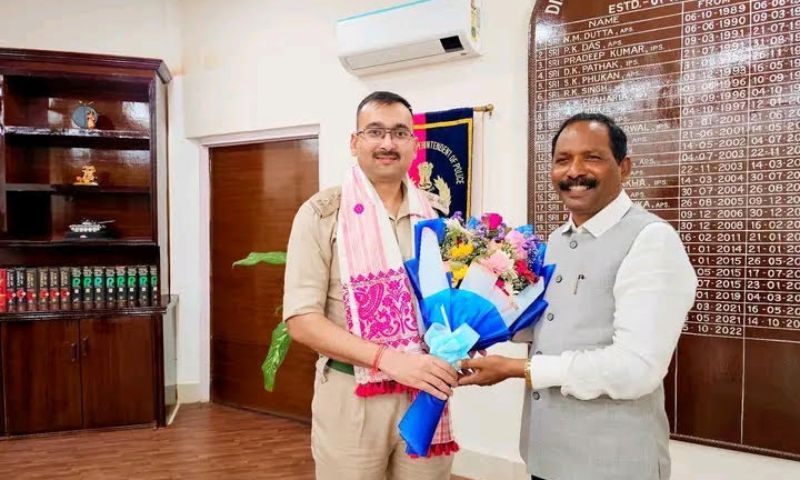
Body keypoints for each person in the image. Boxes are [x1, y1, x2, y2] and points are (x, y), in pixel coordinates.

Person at [458, 112, 697, 480]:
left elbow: (637, 368)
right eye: (563, 160)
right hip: (547, 454)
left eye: (592, 157)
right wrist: (472, 323)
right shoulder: (556, 240)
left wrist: (518, 369)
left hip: (611, 464)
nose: (575, 171)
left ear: (624, 167)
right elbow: (550, 323)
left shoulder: (651, 240)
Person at [282, 91, 457, 480]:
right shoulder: (322, 214)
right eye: (375, 131)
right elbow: (301, 320)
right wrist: (389, 360)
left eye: (399, 133)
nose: (387, 143)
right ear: (354, 142)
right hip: (353, 394)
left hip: (425, 394)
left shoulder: (435, 217)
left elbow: (451, 302)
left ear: (414, 144)